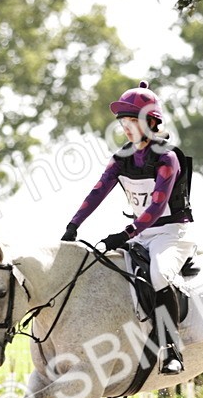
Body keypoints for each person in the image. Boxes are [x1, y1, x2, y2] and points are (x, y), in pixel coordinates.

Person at [60, 81, 194, 375]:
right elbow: (97, 192)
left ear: (151, 120)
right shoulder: (122, 158)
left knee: (158, 276)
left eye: (132, 120)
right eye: (123, 122)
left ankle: (172, 350)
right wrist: (73, 225)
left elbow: (157, 207)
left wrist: (125, 234)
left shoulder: (167, 157)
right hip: (142, 234)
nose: (126, 127)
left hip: (172, 233)